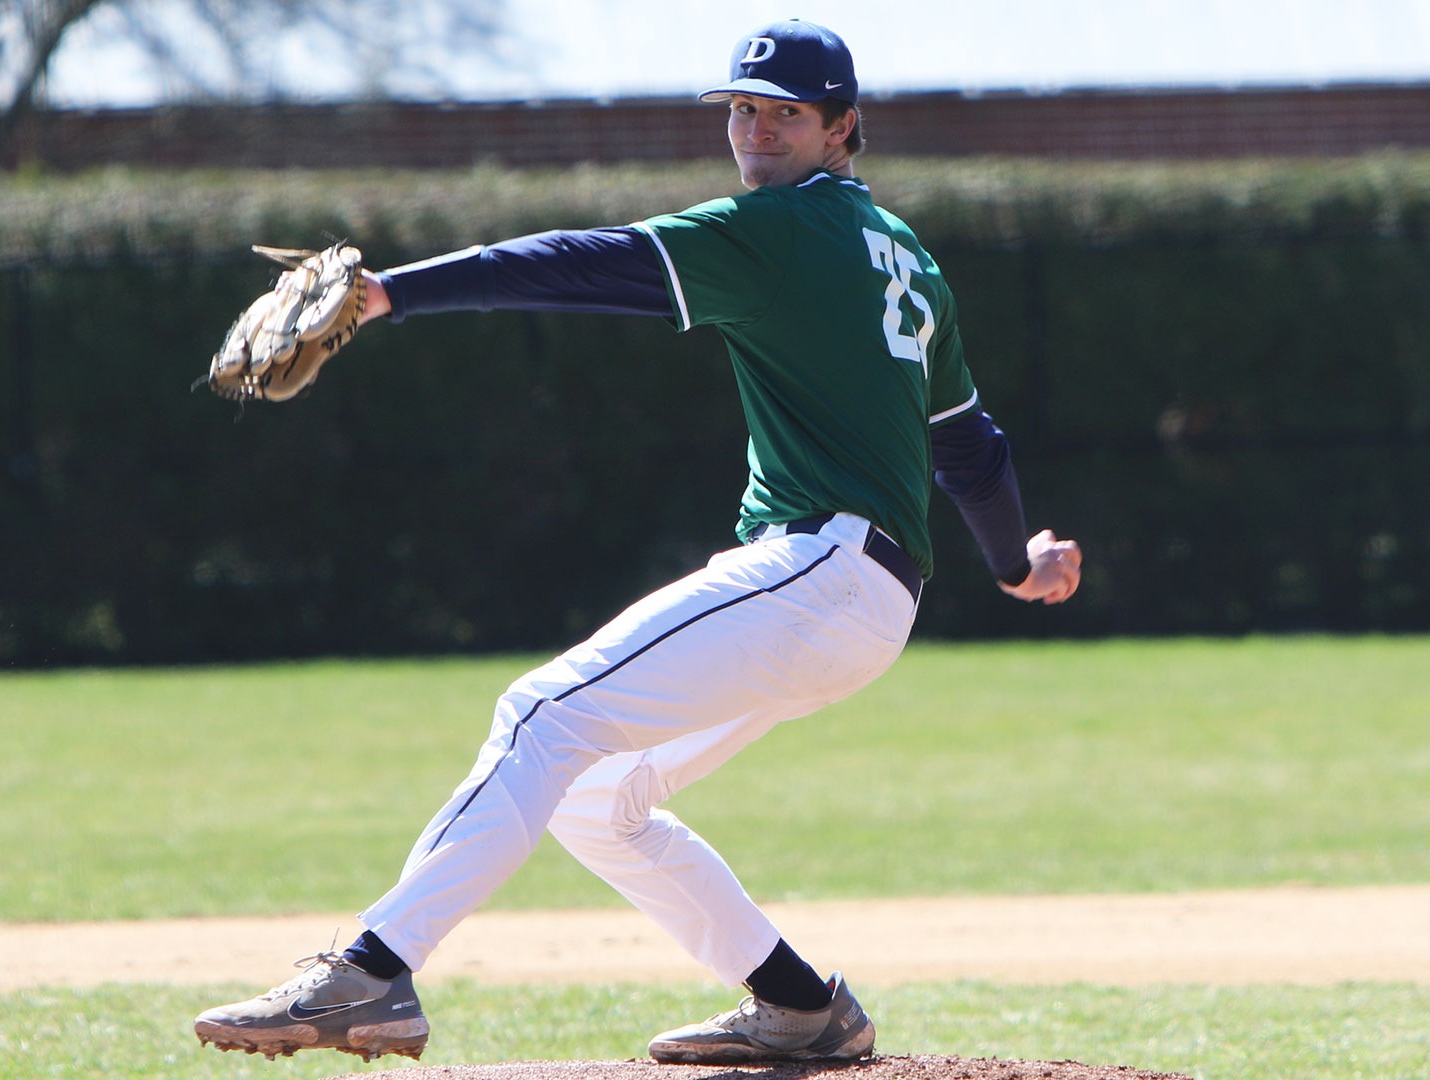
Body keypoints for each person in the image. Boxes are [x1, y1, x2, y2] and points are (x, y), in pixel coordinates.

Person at [193, 18, 1083, 1066]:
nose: (754, 130)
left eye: (783, 113)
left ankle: (371, 975)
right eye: (741, 109)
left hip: (815, 574)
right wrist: (1017, 561)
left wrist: (392, 293)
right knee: (596, 799)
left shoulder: (781, 232)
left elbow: (582, 263)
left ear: (843, 128)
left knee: (538, 715)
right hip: (866, 599)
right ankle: (801, 1007)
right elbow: (968, 444)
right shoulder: (912, 262)